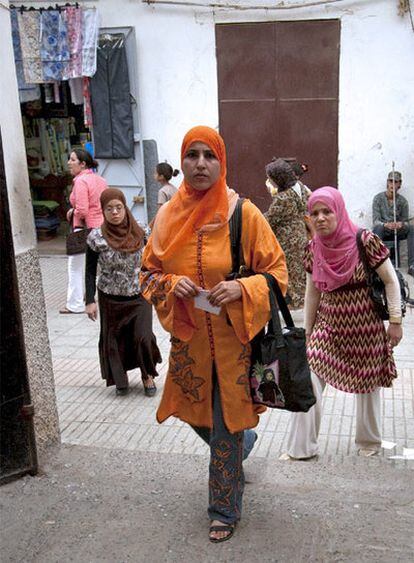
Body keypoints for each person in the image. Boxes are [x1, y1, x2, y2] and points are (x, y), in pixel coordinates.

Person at [140, 126, 287, 543]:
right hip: (190, 346)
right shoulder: (166, 217)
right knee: (195, 415)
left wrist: (241, 287)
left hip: (235, 347)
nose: (201, 163)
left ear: (222, 162)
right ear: (182, 161)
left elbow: (279, 274)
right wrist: (171, 285)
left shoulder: (244, 213)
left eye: (209, 155)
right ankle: (246, 441)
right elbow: (147, 274)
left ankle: (223, 508)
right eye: (192, 155)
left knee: (224, 426)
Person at [283, 186, 403, 461]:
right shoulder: (314, 248)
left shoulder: (365, 240)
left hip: (367, 329)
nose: (321, 218)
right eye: (315, 213)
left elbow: (390, 281)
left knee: (368, 386)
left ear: (338, 211)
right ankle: (301, 449)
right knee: (309, 379)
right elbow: (313, 292)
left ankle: (368, 441)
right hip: (329, 329)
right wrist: (308, 332)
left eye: (327, 211)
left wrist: (395, 322)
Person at [85, 188, 161, 396]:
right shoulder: (96, 238)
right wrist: (89, 300)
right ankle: (121, 378)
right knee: (114, 340)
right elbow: (90, 270)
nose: (115, 212)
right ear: (103, 211)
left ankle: (147, 375)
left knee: (143, 336)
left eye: (118, 207)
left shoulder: (142, 231)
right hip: (110, 297)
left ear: (125, 207)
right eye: (109, 209)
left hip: (139, 295)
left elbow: (154, 260)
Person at [60, 149, 108, 314]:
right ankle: (99, 299)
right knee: (99, 266)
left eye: (72, 160)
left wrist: (72, 212)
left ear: (83, 164)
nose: (69, 162)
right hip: (102, 227)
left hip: (83, 229)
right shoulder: (101, 180)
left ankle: (75, 304)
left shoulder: (80, 181)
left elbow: (82, 210)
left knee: (75, 266)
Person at [264, 158, 310, 309]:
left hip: (287, 239)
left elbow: (270, 219)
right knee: (298, 270)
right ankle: (301, 302)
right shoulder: (300, 187)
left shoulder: (282, 198)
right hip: (300, 233)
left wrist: (254, 216)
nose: (270, 182)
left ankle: (293, 304)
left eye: (271, 179)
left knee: (289, 271)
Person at [372, 170, 414, 276]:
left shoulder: (403, 201)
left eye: (396, 182)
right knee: (378, 228)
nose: (393, 184)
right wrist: (385, 225)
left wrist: (401, 224)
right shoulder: (378, 199)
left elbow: (405, 222)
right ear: (387, 182)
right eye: (391, 181)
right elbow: (376, 221)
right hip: (384, 229)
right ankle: (376, 266)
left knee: (412, 228)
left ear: (399, 184)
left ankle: (412, 265)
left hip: (397, 231)